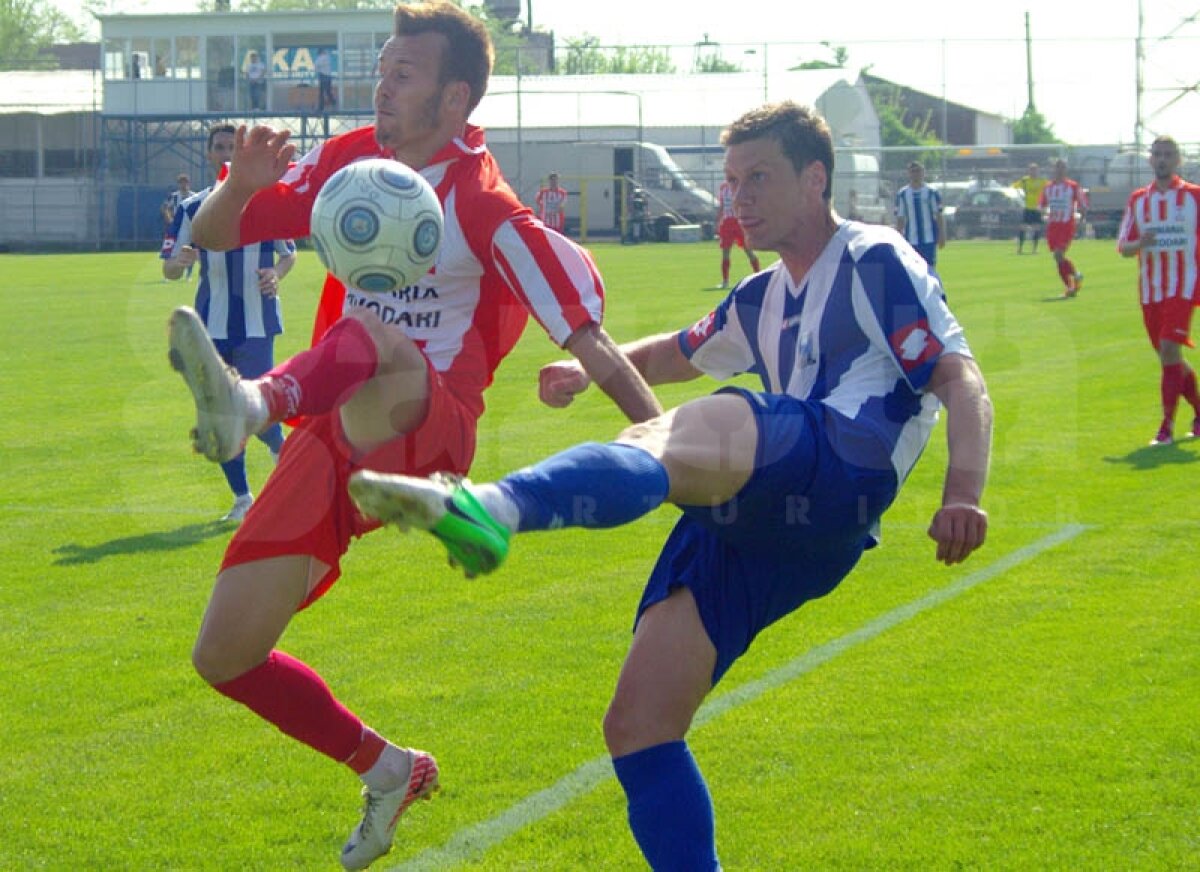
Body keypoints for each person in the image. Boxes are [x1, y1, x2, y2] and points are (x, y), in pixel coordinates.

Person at [347, 100, 993, 871]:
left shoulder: (873, 258)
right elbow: (680, 350)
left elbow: (960, 379)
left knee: (691, 427)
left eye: (759, 177)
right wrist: (587, 367)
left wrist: (962, 493)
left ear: (815, 178)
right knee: (640, 725)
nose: (738, 197)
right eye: (731, 181)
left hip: (842, 467)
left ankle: (487, 507)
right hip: (782, 526)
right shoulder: (759, 297)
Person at [171, 3, 661, 869]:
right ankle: (391, 769)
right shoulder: (356, 155)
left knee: (381, 341)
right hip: (336, 427)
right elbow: (216, 235)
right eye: (382, 69)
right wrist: (242, 184)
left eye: (404, 74)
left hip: (424, 426)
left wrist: (660, 437)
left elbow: (587, 337)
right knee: (226, 653)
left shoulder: (487, 207)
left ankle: (251, 406)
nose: (381, 86)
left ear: (455, 96)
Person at [161, 122, 295, 521]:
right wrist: (178, 263)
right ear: (207, 154)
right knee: (219, 413)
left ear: (238, 153)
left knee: (255, 408)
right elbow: (168, 267)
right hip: (209, 324)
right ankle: (242, 499)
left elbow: (288, 253)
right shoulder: (191, 207)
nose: (223, 153)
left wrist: (276, 274)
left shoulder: (264, 200)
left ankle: (279, 446)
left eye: (228, 147)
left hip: (256, 322)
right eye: (217, 147)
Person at [1117, 134, 1200, 446]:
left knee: (1168, 349)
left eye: (1168, 154)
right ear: (1150, 159)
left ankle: (1166, 427)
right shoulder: (1139, 199)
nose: (1162, 159)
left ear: (1178, 160)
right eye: (1158, 154)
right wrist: (1142, 243)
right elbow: (1124, 246)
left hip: (1184, 286)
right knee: (1169, 356)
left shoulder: (1194, 197)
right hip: (1151, 291)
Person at [1039, 159, 1089, 297]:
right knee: (1058, 258)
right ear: (1054, 169)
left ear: (1065, 170)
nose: (1059, 170)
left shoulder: (1072, 186)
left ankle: (1071, 285)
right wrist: (1044, 214)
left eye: (1062, 167)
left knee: (1058, 254)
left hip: (1066, 225)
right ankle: (1075, 277)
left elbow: (1083, 204)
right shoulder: (1048, 187)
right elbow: (1042, 205)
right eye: (1057, 167)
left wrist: (1081, 221)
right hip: (1053, 226)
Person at [894, 160, 946, 268]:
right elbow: (900, 218)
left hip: (929, 238)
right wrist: (898, 239)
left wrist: (941, 234)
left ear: (923, 173)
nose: (916, 174)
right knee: (913, 268)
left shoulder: (931, 192)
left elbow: (938, 215)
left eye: (918, 171)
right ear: (908, 173)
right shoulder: (903, 194)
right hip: (911, 239)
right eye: (913, 171)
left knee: (929, 268)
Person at [715, 177, 761, 288]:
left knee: (748, 250)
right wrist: (718, 220)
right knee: (725, 252)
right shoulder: (723, 187)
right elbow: (722, 205)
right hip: (727, 223)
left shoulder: (740, 186)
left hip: (738, 222)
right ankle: (725, 281)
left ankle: (758, 276)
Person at [161, 174, 195, 278]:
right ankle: (168, 272)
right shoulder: (174, 196)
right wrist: (169, 219)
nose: (183, 185)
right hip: (176, 228)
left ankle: (188, 274)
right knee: (170, 248)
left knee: (190, 250)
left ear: (188, 183)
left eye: (185, 182)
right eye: (181, 183)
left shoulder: (194, 196)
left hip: (190, 227)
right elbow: (165, 207)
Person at [1013, 162, 1048, 254]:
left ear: (1038, 171)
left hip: (1037, 209)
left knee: (1036, 228)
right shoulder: (1025, 180)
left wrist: (1044, 204)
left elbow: (1049, 188)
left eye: (1035, 170)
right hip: (1027, 208)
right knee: (1022, 228)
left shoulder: (1042, 181)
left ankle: (1034, 249)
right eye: (1031, 170)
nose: (1033, 172)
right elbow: (1014, 187)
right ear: (1028, 171)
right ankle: (1020, 249)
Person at [315, 47, 336, 112]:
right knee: (327, 92)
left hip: (323, 76)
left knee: (322, 92)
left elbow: (316, 65)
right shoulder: (327, 57)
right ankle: (333, 103)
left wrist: (318, 69)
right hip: (328, 76)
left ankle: (321, 107)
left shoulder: (321, 58)